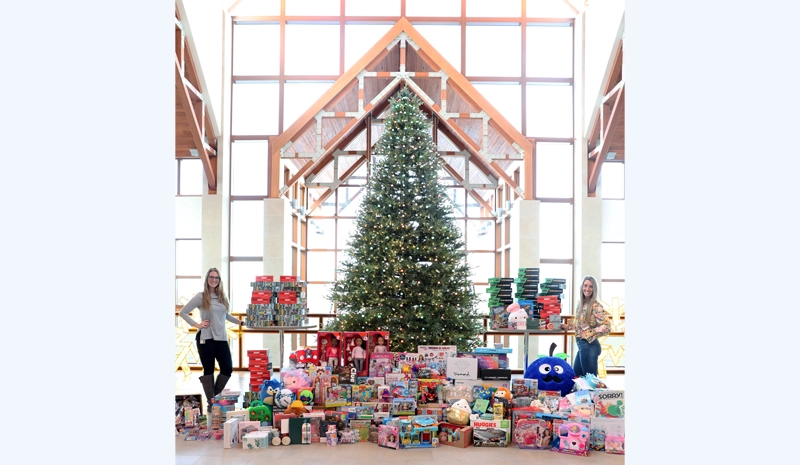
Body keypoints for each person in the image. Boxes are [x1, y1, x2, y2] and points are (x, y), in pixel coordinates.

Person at [179, 267, 244, 411]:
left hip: (221, 338)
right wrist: (197, 324)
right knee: (208, 370)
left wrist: (240, 322)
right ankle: (212, 403)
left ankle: (214, 398)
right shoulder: (201, 296)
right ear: (207, 279)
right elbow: (183, 312)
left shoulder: (222, 297)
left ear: (219, 280)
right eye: (211, 277)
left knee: (227, 368)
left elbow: (225, 315)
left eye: (216, 277)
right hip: (205, 338)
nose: (214, 279)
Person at [565, 275, 611, 377]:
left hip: (589, 345)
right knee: (576, 378)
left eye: (591, 286)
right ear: (582, 287)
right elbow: (580, 323)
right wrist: (567, 326)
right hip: (582, 344)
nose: (587, 289)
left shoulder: (596, 306)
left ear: (594, 289)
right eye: (585, 286)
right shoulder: (581, 303)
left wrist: (590, 333)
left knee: (589, 381)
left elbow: (607, 327)